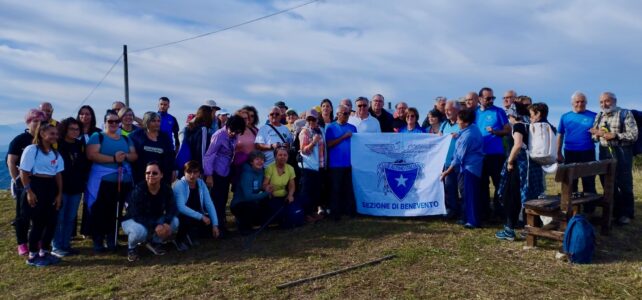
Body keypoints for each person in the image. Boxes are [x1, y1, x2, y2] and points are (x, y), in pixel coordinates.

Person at [86, 109, 138, 253]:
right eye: (110, 121)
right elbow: (92, 155)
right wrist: (114, 159)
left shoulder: (126, 139)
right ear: (105, 123)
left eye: (116, 121)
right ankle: (98, 240)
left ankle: (112, 239)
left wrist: (124, 156)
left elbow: (134, 155)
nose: (114, 124)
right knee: (101, 210)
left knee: (116, 211)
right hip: (103, 182)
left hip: (123, 181)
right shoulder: (98, 137)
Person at [495, 103, 544, 240]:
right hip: (532, 165)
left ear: (513, 115)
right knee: (529, 195)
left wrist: (510, 161)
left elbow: (517, 145)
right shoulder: (530, 125)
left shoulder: (518, 126)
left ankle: (510, 229)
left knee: (512, 196)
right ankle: (531, 228)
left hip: (521, 165)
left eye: (509, 115)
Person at [19, 121, 64, 267]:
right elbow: (24, 171)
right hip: (36, 185)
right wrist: (29, 191)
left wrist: (59, 194)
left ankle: (44, 251)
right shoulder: (32, 150)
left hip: (51, 187)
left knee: (51, 222)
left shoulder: (55, 153)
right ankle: (32, 255)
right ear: (42, 134)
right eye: (51, 133)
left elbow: (58, 174)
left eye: (56, 134)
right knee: (38, 223)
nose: (54, 136)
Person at [590, 92, 638, 225]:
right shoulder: (599, 115)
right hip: (604, 151)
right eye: (601, 102)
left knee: (624, 183)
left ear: (614, 101)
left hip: (622, 151)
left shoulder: (625, 113)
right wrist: (596, 134)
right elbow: (594, 137)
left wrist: (614, 135)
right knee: (607, 182)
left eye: (607, 101)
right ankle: (615, 211)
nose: (604, 104)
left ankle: (627, 213)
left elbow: (633, 135)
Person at [121, 162, 178, 262]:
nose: (151, 175)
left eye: (155, 173)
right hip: (132, 220)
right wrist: (156, 225)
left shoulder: (166, 189)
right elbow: (136, 215)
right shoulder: (138, 190)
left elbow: (172, 208)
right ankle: (132, 248)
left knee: (175, 222)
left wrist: (166, 223)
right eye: (148, 173)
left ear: (161, 175)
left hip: (154, 219)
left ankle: (155, 242)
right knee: (140, 232)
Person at [7, 109, 46, 256]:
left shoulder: (44, 139)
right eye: (35, 121)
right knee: (23, 215)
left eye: (41, 122)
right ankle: (22, 243)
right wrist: (18, 181)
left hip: (41, 183)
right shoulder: (20, 140)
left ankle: (36, 240)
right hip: (23, 183)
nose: (38, 124)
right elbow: (11, 161)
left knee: (39, 214)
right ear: (28, 122)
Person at [203, 115, 246, 237]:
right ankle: (216, 228)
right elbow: (209, 155)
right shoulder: (219, 135)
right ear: (227, 126)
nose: (234, 134)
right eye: (232, 131)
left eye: (237, 132)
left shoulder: (235, 135)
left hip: (226, 171)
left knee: (223, 200)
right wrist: (209, 174)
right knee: (216, 201)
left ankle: (221, 226)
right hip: (216, 171)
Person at [440, 109, 484, 228]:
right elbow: (463, 133)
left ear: (465, 122)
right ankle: (468, 217)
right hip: (474, 166)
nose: (457, 122)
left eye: (459, 120)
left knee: (470, 195)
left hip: (470, 168)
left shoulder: (467, 137)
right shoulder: (472, 128)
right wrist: (457, 135)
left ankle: (473, 221)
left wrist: (446, 172)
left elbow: (458, 158)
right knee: (470, 194)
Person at [52, 118, 89, 257]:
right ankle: (56, 246)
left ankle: (66, 244)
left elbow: (84, 164)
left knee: (70, 218)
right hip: (60, 187)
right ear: (64, 129)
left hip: (76, 187)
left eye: (77, 129)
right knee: (59, 218)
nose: (75, 131)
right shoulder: (57, 144)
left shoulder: (80, 145)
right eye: (71, 129)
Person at [475, 87, 511, 222]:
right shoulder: (475, 113)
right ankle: (485, 213)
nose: (491, 100)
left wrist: (495, 132)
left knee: (499, 185)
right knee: (482, 186)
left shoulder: (498, 111)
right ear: (480, 99)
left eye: (492, 98)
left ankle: (500, 212)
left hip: (496, 155)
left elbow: (508, 130)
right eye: (488, 98)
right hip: (480, 155)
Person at [557, 92, 598, 200]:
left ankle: (589, 209)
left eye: (583, 101)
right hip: (570, 152)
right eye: (577, 102)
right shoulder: (565, 117)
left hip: (588, 152)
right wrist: (558, 153)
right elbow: (560, 135)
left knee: (588, 180)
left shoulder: (594, 116)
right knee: (571, 181)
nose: (580, 104)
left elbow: (600, 133)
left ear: (586, 103)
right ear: (572, 103)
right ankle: (573, 208)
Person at [173, 161, 219, 250]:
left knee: (211, 223)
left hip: (197, 214)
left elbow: (209, 204)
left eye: (195, 172)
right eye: (189, 172)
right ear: (184, 172)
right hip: (180, 215)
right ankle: (179, 240)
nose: (192, 175)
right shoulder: (179, 185)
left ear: (199, 173)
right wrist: (201, 217)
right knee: (185, 219)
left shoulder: (201, 184)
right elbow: (181, 207)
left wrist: (215, 225)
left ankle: (191, 235)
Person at [326, 105, 358, 219]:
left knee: (349, 189)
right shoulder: (331, 127)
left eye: (348, 114)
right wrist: (343, 137)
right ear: (337, 114)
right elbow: (329, 144)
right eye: (344, 113)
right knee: (336, 189)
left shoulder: (353, 128)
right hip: (335, 165)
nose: (346, 116)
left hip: (350, 164)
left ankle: (350, 213)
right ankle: (335, 214)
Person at [129, 112, 176, 186]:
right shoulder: (135, 136)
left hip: (162, 176)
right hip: (141, 176)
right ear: (146, 122)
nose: (157, 123)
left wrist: (173, 169)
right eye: (153, 121)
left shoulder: (165, 137)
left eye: (158, 121)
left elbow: (171, 154)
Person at [231, 151, 272, 234]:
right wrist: (266, 193)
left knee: (267, 203)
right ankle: (243, 226)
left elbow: (258, 187)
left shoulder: (261, 171)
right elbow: (248, 196)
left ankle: (260, 223)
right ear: (251, 162)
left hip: (252, 201)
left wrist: (266, 188)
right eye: (257, 159)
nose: (260, 162)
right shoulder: (246, 174)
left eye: (262, 160)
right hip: (240, 203)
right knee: (250, 207)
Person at [298, 109, 326, 222]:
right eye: (308, 119)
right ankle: (306, 214)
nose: (311, 122)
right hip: (308, 166)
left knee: (315, 191)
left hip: (319, 166)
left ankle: (313, 212)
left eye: (313, 119)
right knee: (307, 192)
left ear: (317, 119)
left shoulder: (320, 130)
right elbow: (303, 150)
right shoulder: (305, 132)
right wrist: (313, 142)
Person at [262, 147, 296, 225]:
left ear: (288, 157)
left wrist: (290, 195)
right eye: (280, 155)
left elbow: (292, 185)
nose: (283, 157)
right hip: (272, 196)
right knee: (279, 211)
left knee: (293, 211)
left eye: (285, 155)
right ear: (275, 156)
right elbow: (264, 184)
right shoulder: (269, 168)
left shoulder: (290, 168)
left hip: (284, 196)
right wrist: (267, 188)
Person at [440, 100, 461, 219]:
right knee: (447, 187)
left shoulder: (461, 124)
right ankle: (450, 209)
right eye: (446, 110)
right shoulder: (444, 124)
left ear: (457, 110)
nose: (446, 112)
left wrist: (458, 136)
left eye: (449, 110)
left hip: (457, 161)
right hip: (445, 161)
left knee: (456, 187)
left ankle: (455, 210)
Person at [231, 106, 259, 189]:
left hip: (253, 165)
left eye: (251, 116)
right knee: (239, 190)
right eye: (245, 118)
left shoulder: (255, 130)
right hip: (239, 166)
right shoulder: (234, 131)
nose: (248, 119)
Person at [181, 105, 214, 171]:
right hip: (195, 167)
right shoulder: (203, 129)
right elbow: (202, 151)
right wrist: (202, 170)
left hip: (186, 164)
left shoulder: (189, 127)